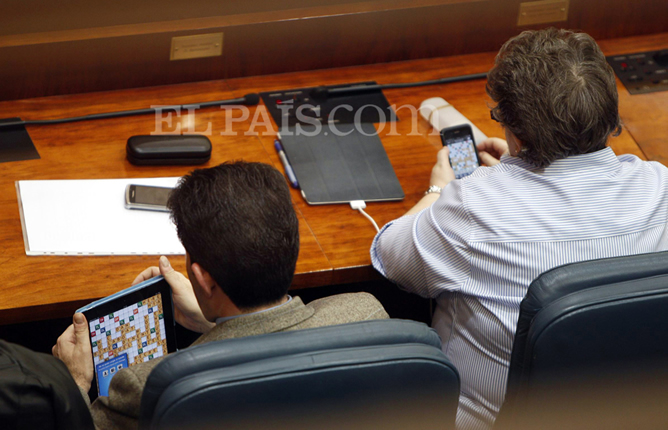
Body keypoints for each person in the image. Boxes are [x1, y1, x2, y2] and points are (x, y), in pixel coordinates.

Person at [370, 28, 668, 430]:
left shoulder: (474, 208)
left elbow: (388, 255)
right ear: (610, 115)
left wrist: (439, 188)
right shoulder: (660, 188)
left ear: (514, 131)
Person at [53, 161, 389, 429]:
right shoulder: (365, 314)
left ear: (202, 278)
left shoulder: (149, 384)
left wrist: (74, 383)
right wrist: (210, 323)